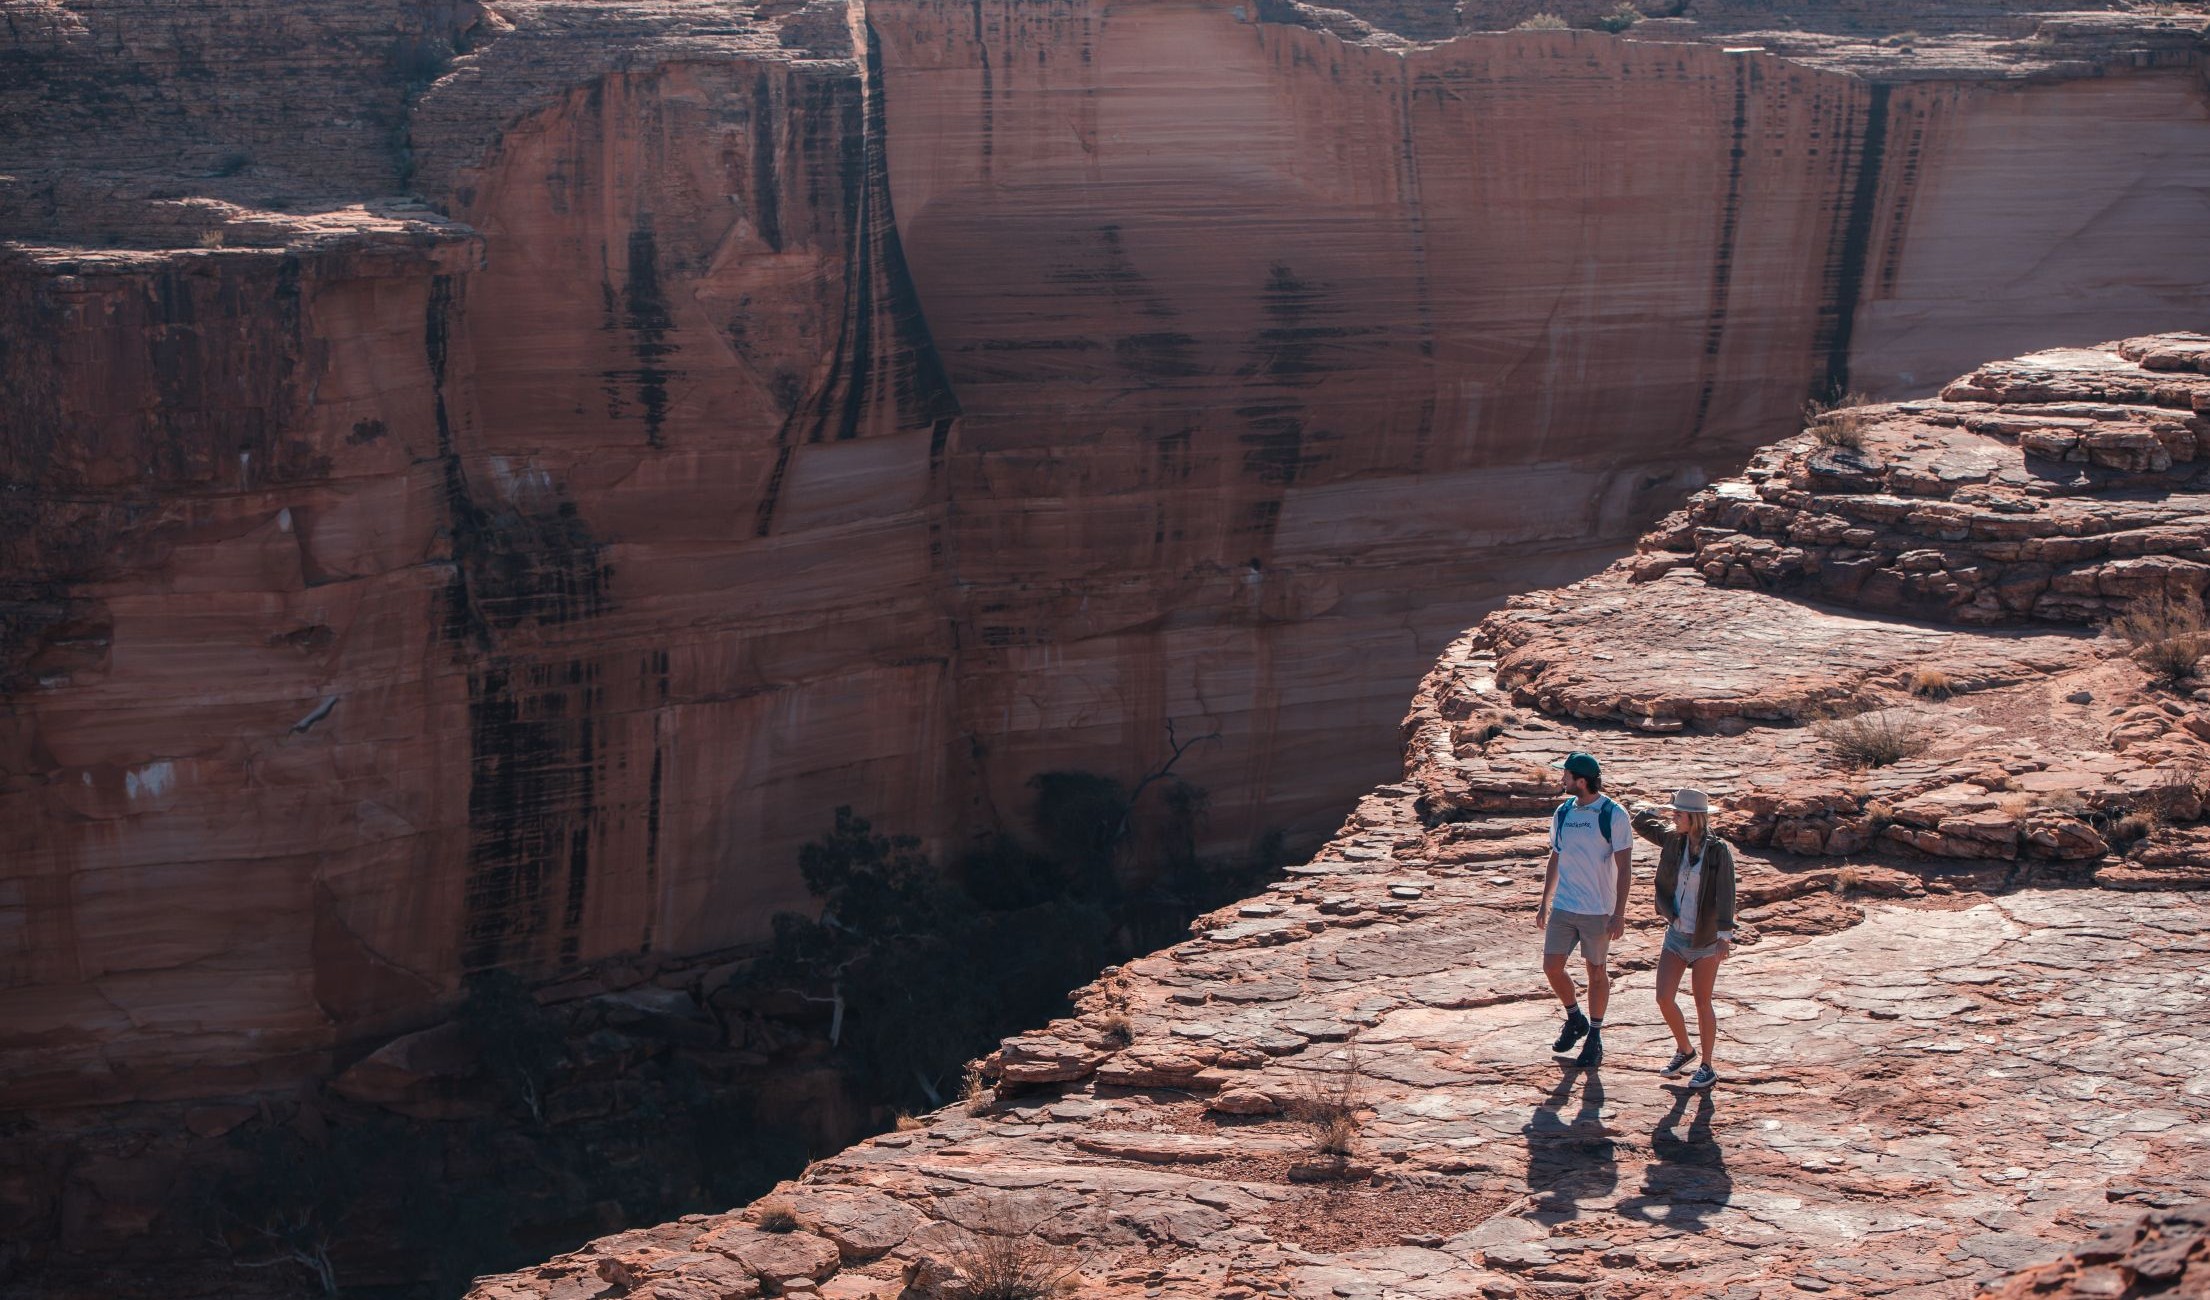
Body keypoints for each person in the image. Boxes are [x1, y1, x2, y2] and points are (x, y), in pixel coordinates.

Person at [1536, 751, 1633, 1068]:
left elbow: (1625, 867)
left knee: (1596, 971)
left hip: (1598, 909)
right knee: (1552, 966)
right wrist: (1545, 901)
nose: (1561, 779)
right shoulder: (1563, 811)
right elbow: (1556, 855)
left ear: (1581, 780)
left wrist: (1619, 913)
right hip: (1565, 905)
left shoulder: (1613, 814)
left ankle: (1595, 1036)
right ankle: (1575, 1018)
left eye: (1565, 774)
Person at [1639, 788, 1736, 1090]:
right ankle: (1685, 1049)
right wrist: (1657, 809)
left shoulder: (1717, 851)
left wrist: (1724, 936)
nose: (1673, 818)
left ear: (1693, 817)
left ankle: (1707, 1066)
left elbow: (1727, 893)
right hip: (1677, 934)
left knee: (1702, 1002)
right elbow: (1640, 823)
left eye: (1678, 814)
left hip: (1705, 938)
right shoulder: (1673, 839)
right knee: (1663, 997)